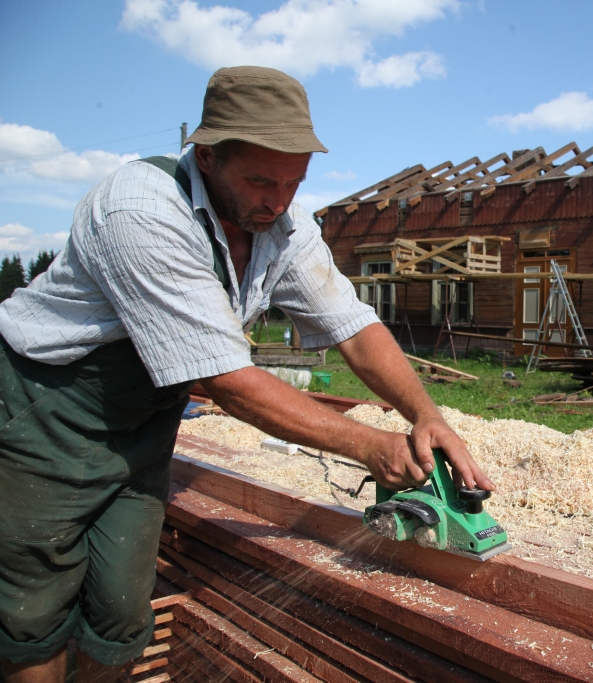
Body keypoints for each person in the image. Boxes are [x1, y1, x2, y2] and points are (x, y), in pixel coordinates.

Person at [0, 66, 493, 683]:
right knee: (33, 611)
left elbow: (354, 326)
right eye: (261, 180)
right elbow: (227, 380)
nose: (280, 200)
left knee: (122, 609)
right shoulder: (142, 211)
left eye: (294, 182)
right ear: (206, 155)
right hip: (49, 415)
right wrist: (371, 446)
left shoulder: (283, 226)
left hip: (141, 427)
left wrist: (426, 416)